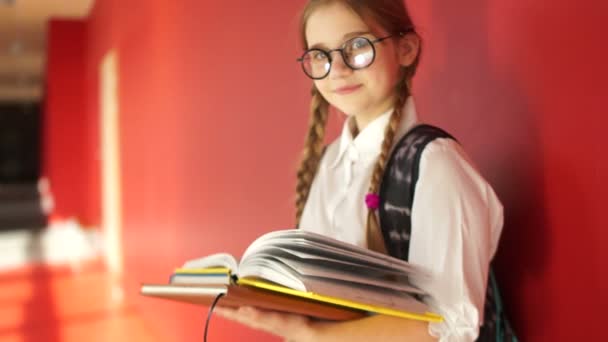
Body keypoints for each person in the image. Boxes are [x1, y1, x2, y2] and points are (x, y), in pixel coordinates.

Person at [216, 1, 504, 341]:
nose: (337, 68)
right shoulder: (327, 164)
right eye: (321, 55)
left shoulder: (435, 164)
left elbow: (451, 326)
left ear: (406, 48)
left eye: (357, 46)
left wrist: (311, 335)